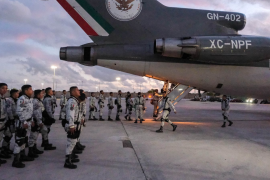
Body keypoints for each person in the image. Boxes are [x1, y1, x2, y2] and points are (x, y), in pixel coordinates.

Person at [12, 85, 35, 168]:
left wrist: (31, 120)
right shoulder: (22, 99)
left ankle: (22, 156)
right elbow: (19, 111)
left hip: (27, 122)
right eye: (30, 89)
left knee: (24, 140)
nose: (32, 91)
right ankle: (16, 160)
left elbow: (29, 111)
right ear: (25, 90)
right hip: (22, 123)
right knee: (19, 141)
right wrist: (24, 122)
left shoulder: (29, 99)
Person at [64, 86, 81, 169]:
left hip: (75, 124)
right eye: (77, 90)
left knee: (73, 142)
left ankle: (71, 157)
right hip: (72, 124)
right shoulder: (72, 101)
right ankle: (67, 161)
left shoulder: (74, 100)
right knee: (71, 143)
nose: (79, 92)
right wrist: (71, 125)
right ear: (73, 92)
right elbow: (70, 114)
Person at [2, 89, 19, 156]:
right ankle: (4, 149)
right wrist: (11, 119)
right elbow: (9, 110)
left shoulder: (15, 100)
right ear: (13, 94)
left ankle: (6, 148)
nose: (18, 94)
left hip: (12, 119)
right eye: (17, 93)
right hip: (8, 120)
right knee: (8, 135)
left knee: (9, 135)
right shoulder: (9, 100)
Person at [0, 83, 9, 166]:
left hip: (3, 122)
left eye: (6, 88)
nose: (5, 90)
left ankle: (3, 151)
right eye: (3, 88)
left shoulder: (4, 99)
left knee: (7, 136)